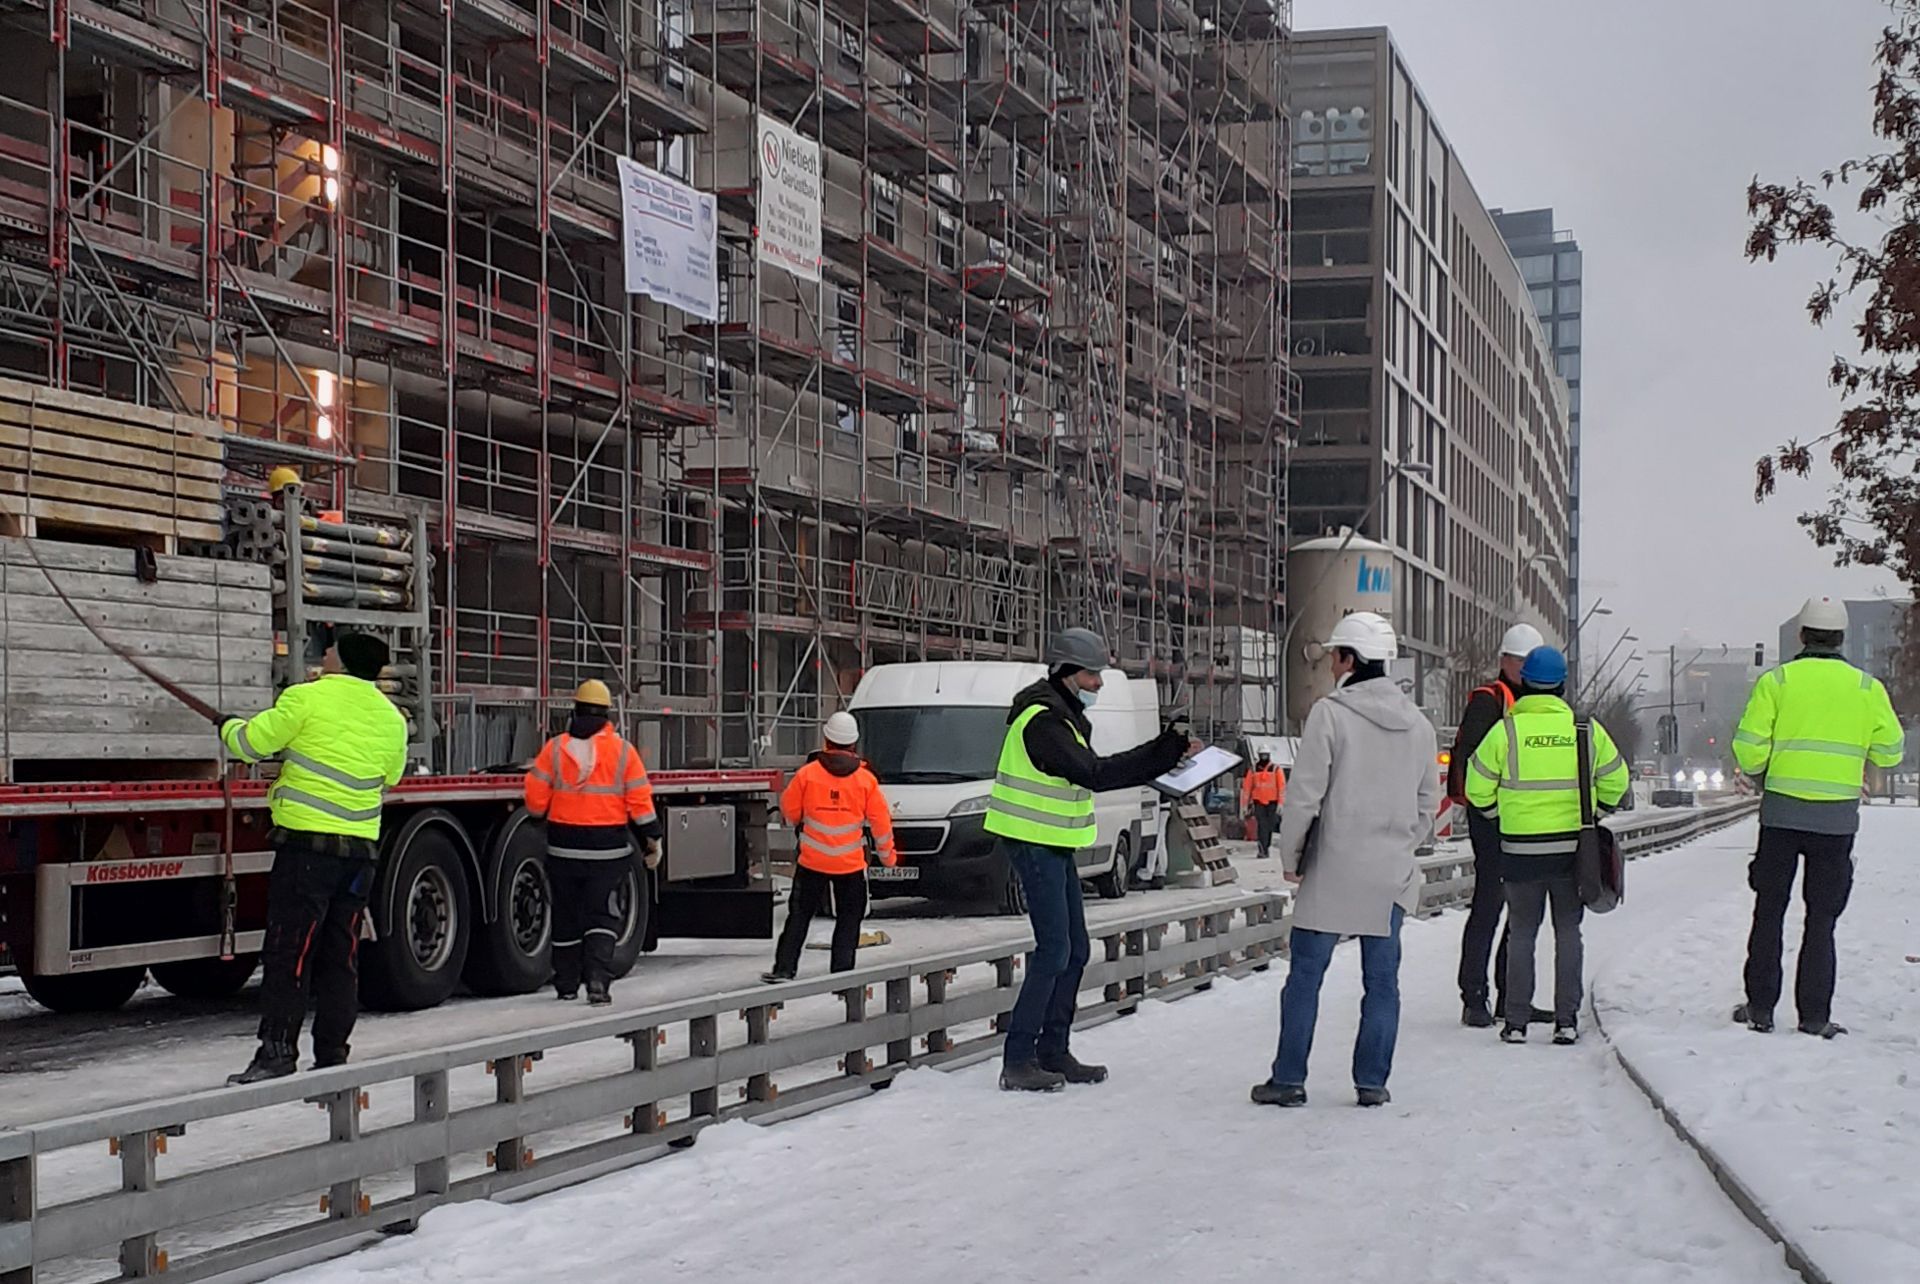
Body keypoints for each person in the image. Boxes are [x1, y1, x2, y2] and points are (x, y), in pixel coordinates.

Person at [987, 627, 1191, 1092]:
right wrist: (1161, 752)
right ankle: (1018, 1058)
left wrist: (1167, 753)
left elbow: (1090, 772)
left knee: (1075, 949)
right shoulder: (1042, 721)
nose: (1099, 683)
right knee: (1055, 950)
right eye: (1092, 674)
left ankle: (1053, 1051)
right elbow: (1094, 774)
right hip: (1031, 842)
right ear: (1066, 673)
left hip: (1052, 842)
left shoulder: (1062, 716)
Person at [1250, 612, 1440, 1109]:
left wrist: (1291, 855)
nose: (1331, 664)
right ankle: (1371, 1082)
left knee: (1305, 978)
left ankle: (1289, 1079)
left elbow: (1304, 796)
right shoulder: (1419, 725)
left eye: (1335, 655)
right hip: (1390, 874)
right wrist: (1401, 843)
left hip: (1332, 868)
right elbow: (1428, 804)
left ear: (1348, 659)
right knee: (1382, 983)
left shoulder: (1330, 715)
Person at [221, 633, 409, 1084]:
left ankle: (277, 1053)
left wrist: (228, 726)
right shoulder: (392, 718)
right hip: (360, 853)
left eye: (328, 650)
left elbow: (249, 745)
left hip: (308, 848)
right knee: (340, 954)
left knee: (291, 951)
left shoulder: (305, 698)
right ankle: (332, 1051)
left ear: (340, 661)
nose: (322, 655)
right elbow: (393, 775)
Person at [1731, 596, 1903, 1038]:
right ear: (1841, 638)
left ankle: (1761, 1009)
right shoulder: (1867, 689)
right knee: (1822, 919)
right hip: (1836, 822)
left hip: (1781, 815)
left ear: (1802, 636)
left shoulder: (1778, 681)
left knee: (1769, 910)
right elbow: (1891, 750)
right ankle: (1814, 1017)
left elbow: (1748, 747)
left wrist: (1761, 772)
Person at [1464, 645, 1629, 1045]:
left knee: (1522, 932)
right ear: (1561, 684)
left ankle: (1516, 1022)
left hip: (1519, 851)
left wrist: (1498, 817)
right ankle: (1566, 1021)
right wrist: (1596, 814)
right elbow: (1617, 781)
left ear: (1525, 682)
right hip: (1572, 852)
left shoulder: (1506, 731)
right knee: (1568, 932)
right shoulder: (1583, 729)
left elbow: (1476, 787)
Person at [524, 679, 661, 1006]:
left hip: (563, 849)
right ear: (607, 714)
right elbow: (640, 802)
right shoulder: (623, 752)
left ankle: (567, 984)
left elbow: (535, 803)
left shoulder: (555, 749)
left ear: (575, 709)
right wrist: (652, 839)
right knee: (601, 916)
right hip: (608, 850)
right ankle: (598, 982)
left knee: (566, 917)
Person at [1448, 622, 1545, 1029]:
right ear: (1504, 661)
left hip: (1523, 821)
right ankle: (1474, 996)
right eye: (1519, 661)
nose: (1524, 669)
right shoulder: (1489, 702)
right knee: (1489, 904)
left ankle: (1512, 996)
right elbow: (1473, 764)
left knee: (1520, 912)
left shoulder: (1538, 703)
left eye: (1530, 663)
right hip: (1491, 821)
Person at [763, 712, 896, 982]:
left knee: (799, 916)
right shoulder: (865, 779)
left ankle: (784, 969)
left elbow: (789, 812)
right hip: (850, 864)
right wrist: (888, 857)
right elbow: (881, 823)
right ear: (854, 743)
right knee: (849, 919)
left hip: (812, 861)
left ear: (826, 740)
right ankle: (842, 974)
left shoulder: (807, 775)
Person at [1240, 750, 1286, 859]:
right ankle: (1262, 849)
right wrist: (1245, 806)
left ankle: (1266, 847)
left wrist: (1280, 803)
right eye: (1262, 755)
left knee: (1270, 826)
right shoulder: (1253, 769)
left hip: (1272, 802)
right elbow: (1247, 788)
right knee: (1262, 826)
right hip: (1259, 802)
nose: (1264, 757)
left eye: (1266, 755)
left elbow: (1281, 787)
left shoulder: (1276, 769)